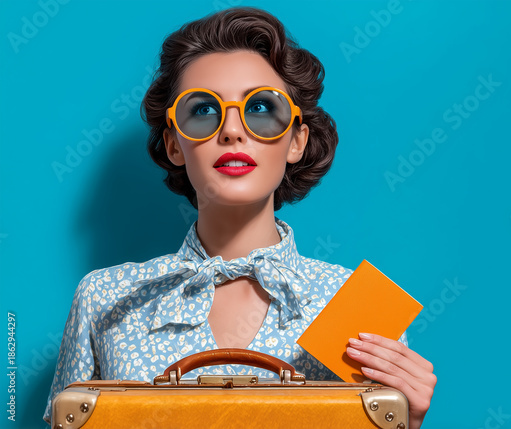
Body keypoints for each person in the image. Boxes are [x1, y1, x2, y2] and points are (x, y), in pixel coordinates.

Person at [43, 7, 436, 428]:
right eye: (204, 111)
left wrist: (404, 423)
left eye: (262, 108)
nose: (232, 131)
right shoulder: (103, 298)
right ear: (174, 143)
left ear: (296, 141)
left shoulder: (357, 306)